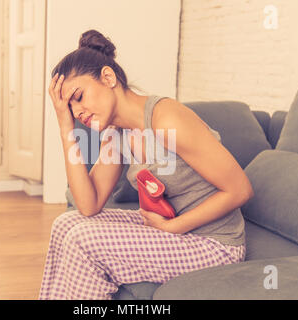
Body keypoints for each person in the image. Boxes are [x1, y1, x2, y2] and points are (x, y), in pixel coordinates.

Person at [39, 29, 254, 300]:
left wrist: (172, 228)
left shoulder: (166, 120)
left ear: (108, 77)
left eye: (79, 97)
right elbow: (88, 205)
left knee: (83, 241)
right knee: (66, 223)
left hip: (213, 244)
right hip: (172, 229)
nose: (77, 112)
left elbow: (240, 190)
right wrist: (65, 127)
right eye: (69, 109)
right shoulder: (116, 133)